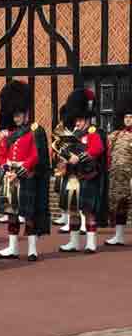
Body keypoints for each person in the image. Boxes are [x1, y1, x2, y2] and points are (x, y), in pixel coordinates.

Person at [0, 81, 51, 261]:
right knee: (11, 214)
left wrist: (22, 168)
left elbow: (36, 156)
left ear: (26, 114)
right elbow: (1, 153)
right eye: (15, 116)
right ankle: (12, 247)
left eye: (19, 115)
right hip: (11, 177)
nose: (16, 118)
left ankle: (32, 249)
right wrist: (5, 166)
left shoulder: (34, 131)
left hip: (26, 177)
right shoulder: (9, 135)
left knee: (29, 214)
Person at [57, 89, 106, 254]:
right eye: (76, 120)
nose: (76, 123)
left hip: (88, 176)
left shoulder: (92, 133)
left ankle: (91, 243)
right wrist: (65, 158)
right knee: (72, 210)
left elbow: (98, 149)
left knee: (88, 211)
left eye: (79, 120)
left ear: (86, 119)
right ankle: (73, 242)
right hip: (72, 177)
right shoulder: (72, 135)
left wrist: (80, 157)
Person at [106, 95, 132, 246]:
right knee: (120, 207)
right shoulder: (116, 135)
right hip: (117, 179)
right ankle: (119, 235)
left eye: (131, 117)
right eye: (126, 117)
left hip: (130, 177)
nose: (128, 119)